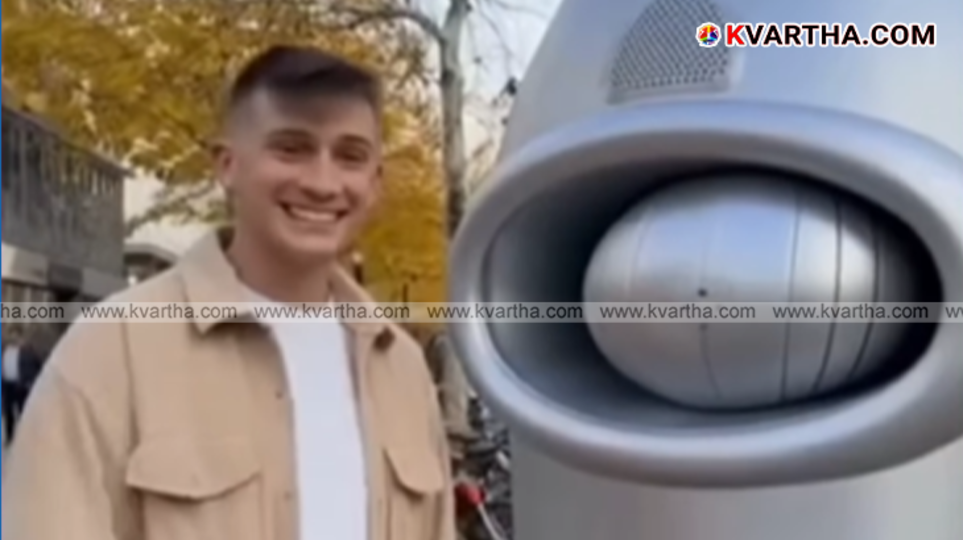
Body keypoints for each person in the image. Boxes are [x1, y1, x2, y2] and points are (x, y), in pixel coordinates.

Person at [3, 45, 455, 540]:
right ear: (226, 165)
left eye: (350, 156)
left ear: (375, 182)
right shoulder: (112, 350)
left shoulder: (403, 371)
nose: (324, 183)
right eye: (291, 148)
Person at [2, 327, 25, 442]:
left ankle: (24, 436)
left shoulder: (25, 351)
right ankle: (9, 436)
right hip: (7, 385)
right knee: (8, 412)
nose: (13, 338)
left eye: (16, 335)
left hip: (20, 385)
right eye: (11, 335)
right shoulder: (4, 351)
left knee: (22, 412)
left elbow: (33, 365)